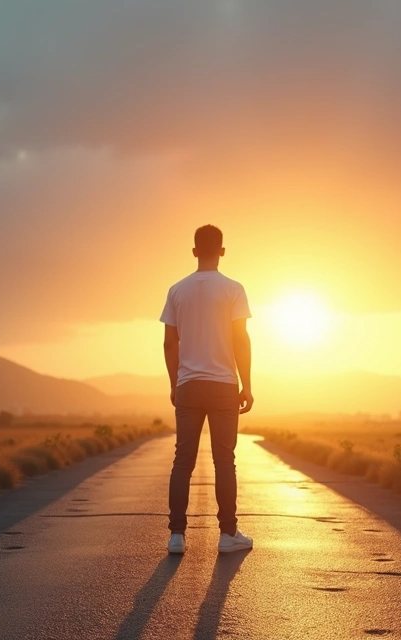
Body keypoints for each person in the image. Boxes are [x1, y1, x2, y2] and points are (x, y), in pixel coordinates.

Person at [160, 224, 254, 554]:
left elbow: (170, 343)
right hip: (224, 385)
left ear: (195, 251)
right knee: (224, 461)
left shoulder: (177, 290)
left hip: (188, 385)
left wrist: (175, 384)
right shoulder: (233, 289)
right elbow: (240, 340)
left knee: (182, 462)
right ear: (223, 251)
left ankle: (176, 536)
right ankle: (228, 535)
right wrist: (247, 385)